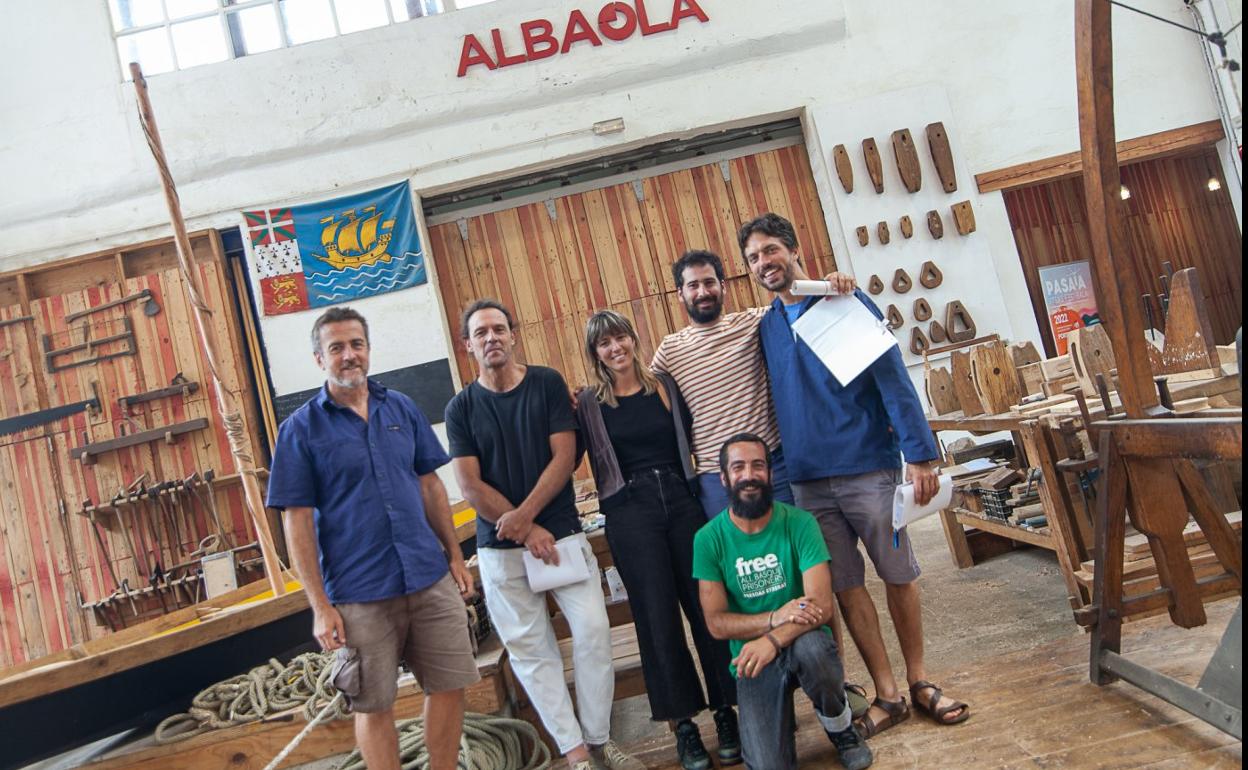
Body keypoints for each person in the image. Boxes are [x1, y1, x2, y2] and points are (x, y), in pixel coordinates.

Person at [740, 212, 971, 739]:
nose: (764, 262)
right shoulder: (767, 327)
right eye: (753, 257)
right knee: (845, 587)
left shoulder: (843, 301)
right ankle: (888, 693)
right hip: (806, 480)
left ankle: (920, 680)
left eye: (771, 249)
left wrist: (920, 453)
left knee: (898, 574)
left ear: (794, 248)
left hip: (869, 464)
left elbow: (892, 378)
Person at [266, 306, 478, 770]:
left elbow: (430, 485)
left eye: (356, 344)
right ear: (319, 358)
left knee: (450, 684)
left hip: (427, 575)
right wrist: (320, 606)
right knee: (372, 703)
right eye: (336, 348)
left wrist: (455, 557)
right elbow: (296, 521)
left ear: (368, 349)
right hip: (359, 593)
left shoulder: (400, 407)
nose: (348, 355)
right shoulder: (299, 430)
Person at [444, 299, 643, 770]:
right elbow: (469, 483)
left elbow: (564, 457)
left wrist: (531, 520)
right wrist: (521, 527)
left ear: (513, 335)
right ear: (468, 345)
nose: (491, 338)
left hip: (560, 538)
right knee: (532, 652)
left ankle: (598, 738)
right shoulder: (461, 408)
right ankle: (576, 754)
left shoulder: (548, 383)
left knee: (594, 631)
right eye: (481, 333)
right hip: (501, 551)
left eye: (499, 329)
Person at [576, 309, 741, 770]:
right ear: (596, 354)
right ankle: (683, 727)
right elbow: (569, 455)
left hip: (682, 498)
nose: (615, 349)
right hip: (630, 508)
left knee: (706, 605)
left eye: (620, 338)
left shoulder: (664, 386)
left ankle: (726, 712)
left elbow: (696, 434)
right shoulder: (590, 404)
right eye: (603, 344)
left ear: (633, 338)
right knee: (656, 618)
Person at [693, 434, 873, 770]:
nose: (749, 475)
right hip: (753, 659)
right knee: (767, 765)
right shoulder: (708, 540)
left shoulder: (800, 523)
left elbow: (821, 606)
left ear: (770, 473)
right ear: (724, 479)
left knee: (816, 651)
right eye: (739, 467)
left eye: (758, 465)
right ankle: (778, 716)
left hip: (801, 640)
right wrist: (774, 617)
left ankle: (842, 727)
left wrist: (773, 639)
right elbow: (716, 622)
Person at [651, 250, 857, 521]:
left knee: (791, 548)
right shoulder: (669, 350)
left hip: (772, 463)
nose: (703, 291)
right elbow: (635, 388)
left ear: (723, 286)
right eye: (693, 285)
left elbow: (798, 304)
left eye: (709, 282)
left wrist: (830, 283)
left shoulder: (756, 322)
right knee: (737, 559)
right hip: (716, 475)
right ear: (680, 294)